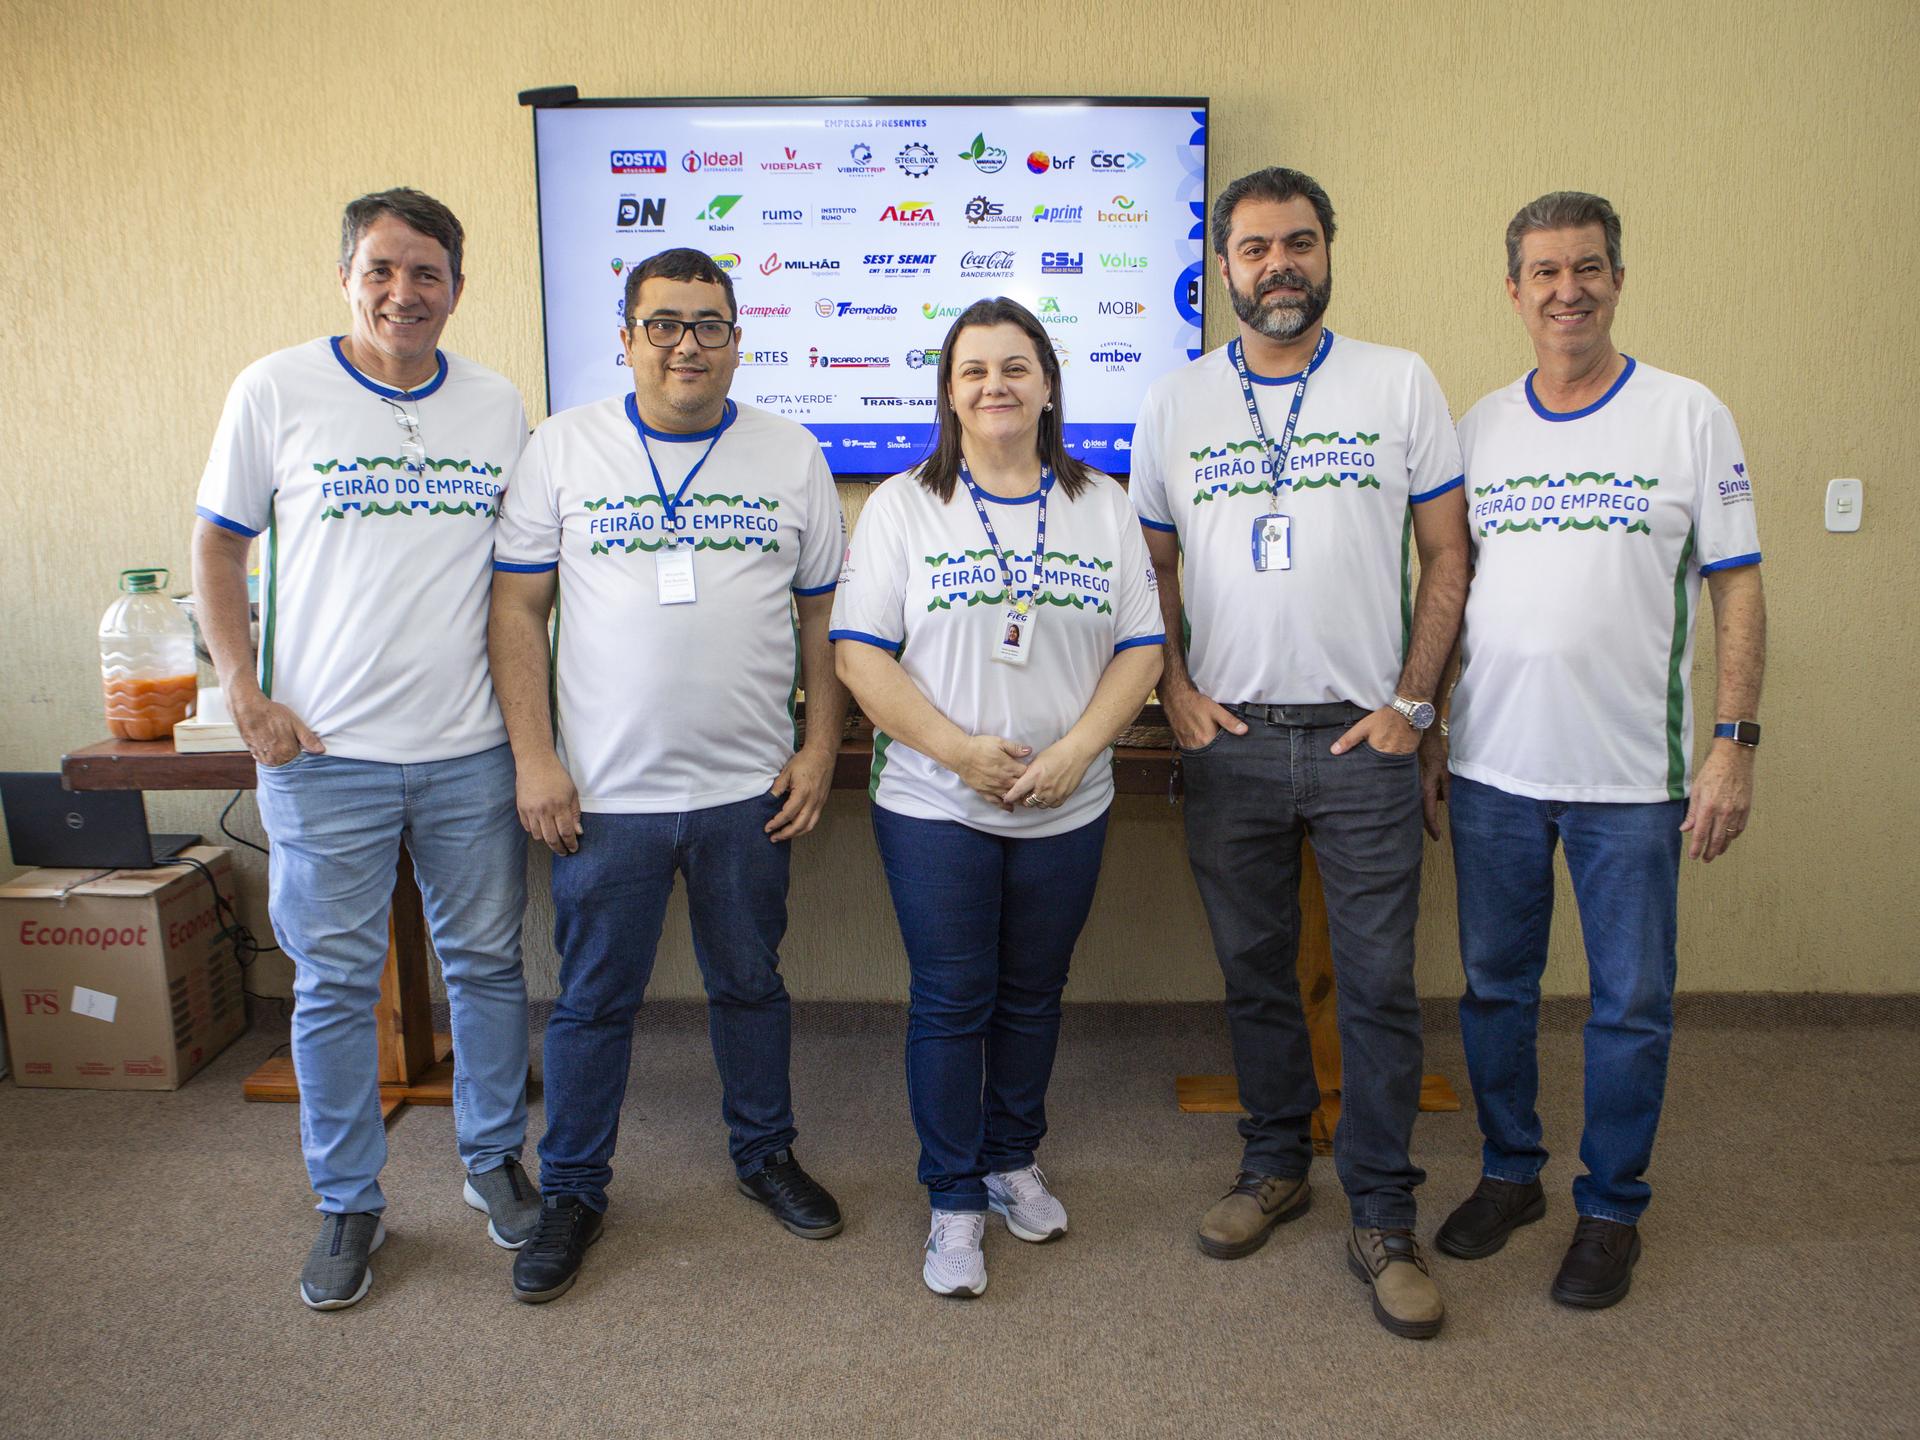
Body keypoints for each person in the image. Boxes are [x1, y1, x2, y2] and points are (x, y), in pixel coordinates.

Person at [1129, 167, 1471, 1339]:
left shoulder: (1398, 381)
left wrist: (1415, 705)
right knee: (1254, 973)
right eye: (1256, 247)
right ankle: (1275, 1165)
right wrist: (1173, 688)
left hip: (1363, 737)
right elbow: (1152, 568)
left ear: (1328, 252)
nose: (1280, 264)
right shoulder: (1175, 402)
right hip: (1229, 739)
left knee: (1377, 986)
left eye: (1300, 242)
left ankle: (1382, 1213)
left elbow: (1448, 555)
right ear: (1222, 268)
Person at [191, 188, 536, 1310]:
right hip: (323, 754)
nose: (403, 291)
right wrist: (244, 694)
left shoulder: (495, 403)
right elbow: (218, 548)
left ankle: (492, 1160)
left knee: (487, 966)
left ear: (457, 288)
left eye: (426, 272)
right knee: (336, 986)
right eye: (381, 269)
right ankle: (349, 1200)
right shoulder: (276, 388)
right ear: (346, 276)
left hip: (469, 749)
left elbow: (520, 585)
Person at [489, 247, 849, 1304]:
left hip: (749, 795)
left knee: (751, 986)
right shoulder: (563, 448)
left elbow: (824, 616)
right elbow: (517, 609)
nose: (687, 344)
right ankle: (573, 1191)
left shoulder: (791, 453)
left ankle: (765, 1155)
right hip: (605, 799)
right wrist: (535, 756)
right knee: (593, 1001)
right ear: (628, 337)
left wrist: (821, 748)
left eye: (708, 325)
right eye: (664, 324)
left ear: (737, 340)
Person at [1433, 192, 1766, 1309]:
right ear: (1514, 291)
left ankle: (1612, 1206)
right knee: (1494, 990)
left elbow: (1738, 588)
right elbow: (1450, 590)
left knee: (1630, 1003)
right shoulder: (1481, 428)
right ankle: (1510, 1173)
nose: (1566, 290)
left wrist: (1733, 746)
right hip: (1492, 772)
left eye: (1586, 268)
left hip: (1634, 781)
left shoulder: (1688, 415)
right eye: (1544, 272)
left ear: (1617, 279)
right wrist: (1432, 732)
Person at [833, 297, 1164, 1298]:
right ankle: (953, 1198)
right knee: (951, 998)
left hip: (1069, 797)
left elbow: (1142, 648)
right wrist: (961, 753)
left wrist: (1073, 753)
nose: (996, 386)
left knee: (1032, 991)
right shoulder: (902, 505)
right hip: (936, 801)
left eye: (1016, 367)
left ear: (1049, 384)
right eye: (973, 370)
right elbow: (859, 656)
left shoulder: (1102, 505)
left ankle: (1013, 1157)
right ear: (949, 392)